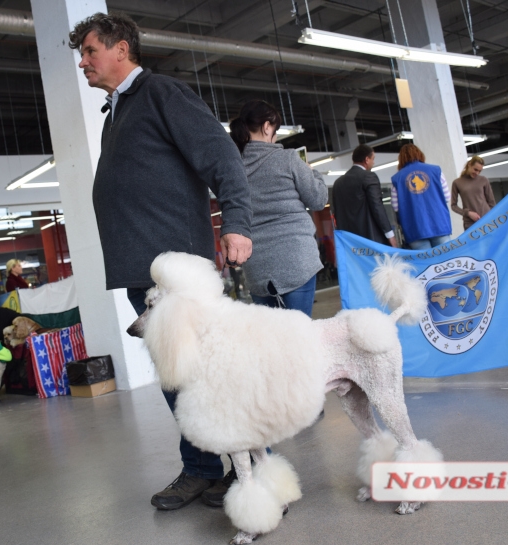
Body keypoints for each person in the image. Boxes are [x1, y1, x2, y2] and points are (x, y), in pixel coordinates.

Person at [69, 12, 252, 511]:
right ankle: (203, 468)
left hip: (176, 270)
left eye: (89, 51)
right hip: (145, 273)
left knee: (207, 374)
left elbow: (221, 156)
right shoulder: (117, 111)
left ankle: (254, 470)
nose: (82, 63)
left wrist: (237, 221)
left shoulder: (160, 93)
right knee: (177, 378)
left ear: (121, 48)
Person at [230, 99, 328, 317]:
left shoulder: (233, 167)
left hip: (256, 267)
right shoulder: (289, 158)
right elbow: (318, 199)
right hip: (296, 262)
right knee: (299, 338)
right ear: (267, 127)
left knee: (272, 343)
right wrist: (313, 172)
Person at [331, 144, 398, 247]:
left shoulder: (338, 183)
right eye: (373, 159)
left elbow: (337, 214)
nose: (373, 162)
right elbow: (377, 207)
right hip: (371, 241)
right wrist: (390, 235)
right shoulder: (368, 177)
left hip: (350, 244)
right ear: (367, 159)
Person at [390, 143, 452, 249]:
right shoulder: (436, 171)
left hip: (414, 228)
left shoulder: (396, 179)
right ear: (420, 154)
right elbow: (447, 197)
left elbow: (396, 207)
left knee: (426, 264)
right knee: (446, 262)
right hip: (439, 224)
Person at [451, 155, 496, 231]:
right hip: (470, 224)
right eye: (475, 169)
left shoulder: (484, 180)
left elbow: (492, 203)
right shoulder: (457, 183)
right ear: (469, 164)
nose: (477, 173)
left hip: (487, 221)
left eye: (479, 171)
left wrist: (490, 217)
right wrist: (468, 213)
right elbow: (453, 206)